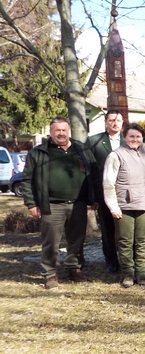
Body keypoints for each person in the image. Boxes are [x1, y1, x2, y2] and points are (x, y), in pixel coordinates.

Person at [21, 117, 98, 289]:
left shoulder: (81, 149)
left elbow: (95, 174)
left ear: (68, 131)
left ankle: (74, 269)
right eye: (57, 130)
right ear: (51, 132)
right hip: (51, 205)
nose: (61, 133)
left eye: (64, 130)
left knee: (77, 239)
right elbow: (27, 180)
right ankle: (50, 274)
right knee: (51, 242)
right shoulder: (38, 152)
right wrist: (31, 204)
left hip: (78, 203)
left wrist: (95, 198)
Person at [102, 123, 145, 288]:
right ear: (125, 137)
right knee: (125, 242)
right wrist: (113, 206)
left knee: (143, 241)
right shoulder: (115, 155)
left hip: (144, 204)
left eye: (138, 136)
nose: (135, 139)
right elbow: (108, 183)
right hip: (124, 206)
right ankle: (128, 274)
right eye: (131, 136)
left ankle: (142, 273)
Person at [85, 109, 123, 273]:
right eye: (111, 120)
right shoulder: (94, 141)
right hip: (105, 193)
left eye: (118, 120)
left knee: (127, 229)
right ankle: (111, 261)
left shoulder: (130, 139)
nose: (115, 123)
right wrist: (93, 197)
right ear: (106, 122)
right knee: (108, 230)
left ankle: (129, 261)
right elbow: (89, 170)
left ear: (122, 123)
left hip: (126, 193)